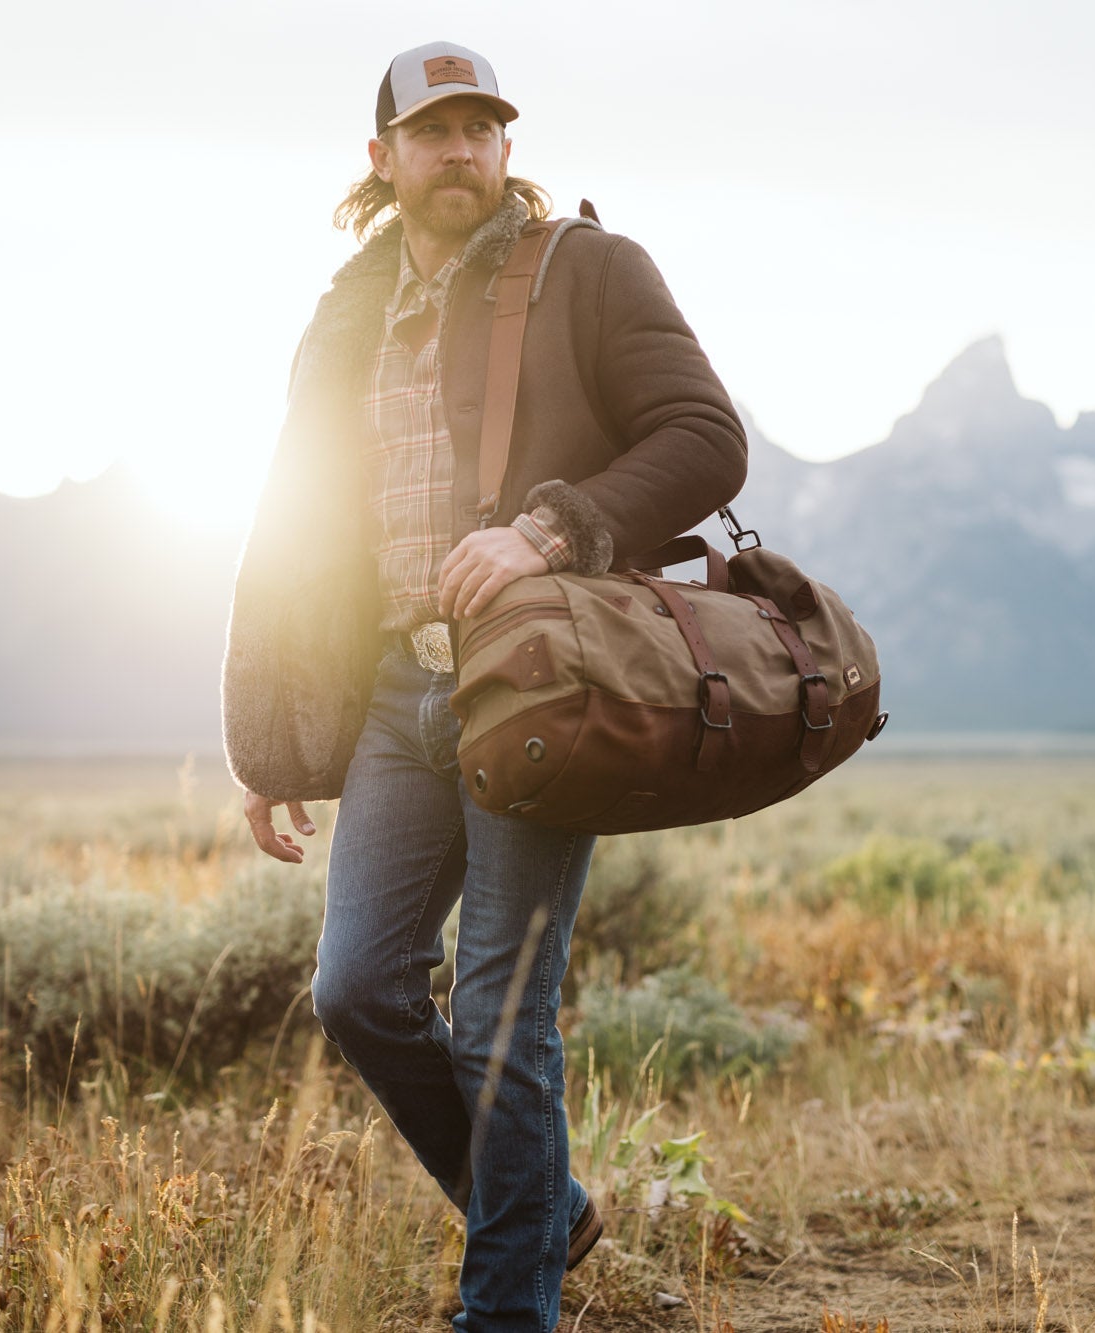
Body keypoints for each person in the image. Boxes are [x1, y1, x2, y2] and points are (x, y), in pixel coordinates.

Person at [220, 39, 746, 1332]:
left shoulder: (586, 272)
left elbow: (707, 441)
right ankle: (546, 1210)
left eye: (482, 128)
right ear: (382, 157)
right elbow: (292, 528)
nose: (460, 150)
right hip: (397, 697)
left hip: (537, 689)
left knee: (501, 1019)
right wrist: (266, 735)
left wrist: (550, 529)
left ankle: (505, 1309)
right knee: (356, 987)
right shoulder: (343, 321)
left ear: (507, 148)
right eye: (432, 129)